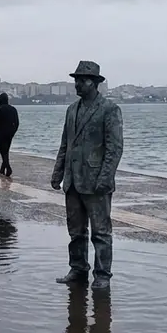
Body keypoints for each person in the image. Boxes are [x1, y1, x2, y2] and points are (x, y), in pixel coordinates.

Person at [50, 61, 124, 290]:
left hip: (96, 183)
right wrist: (58, 173)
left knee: (101, 232)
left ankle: (102, 275)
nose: (78, 85)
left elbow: (115, 148)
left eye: (83, 81)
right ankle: (78, 269)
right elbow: (66, 144)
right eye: (76, 80)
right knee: (76, 231)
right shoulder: (72, 110)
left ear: (95, 83)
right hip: (72, 182)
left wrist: (105, 178)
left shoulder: (109, 109)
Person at [0, 93, 20, 177]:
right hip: (10, 132)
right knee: (6, 150)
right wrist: (13, 131)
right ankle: (2, 168)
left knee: (2, 151)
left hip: (0, 133)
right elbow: (17, 122)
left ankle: (8, 167)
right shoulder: (13, 109)